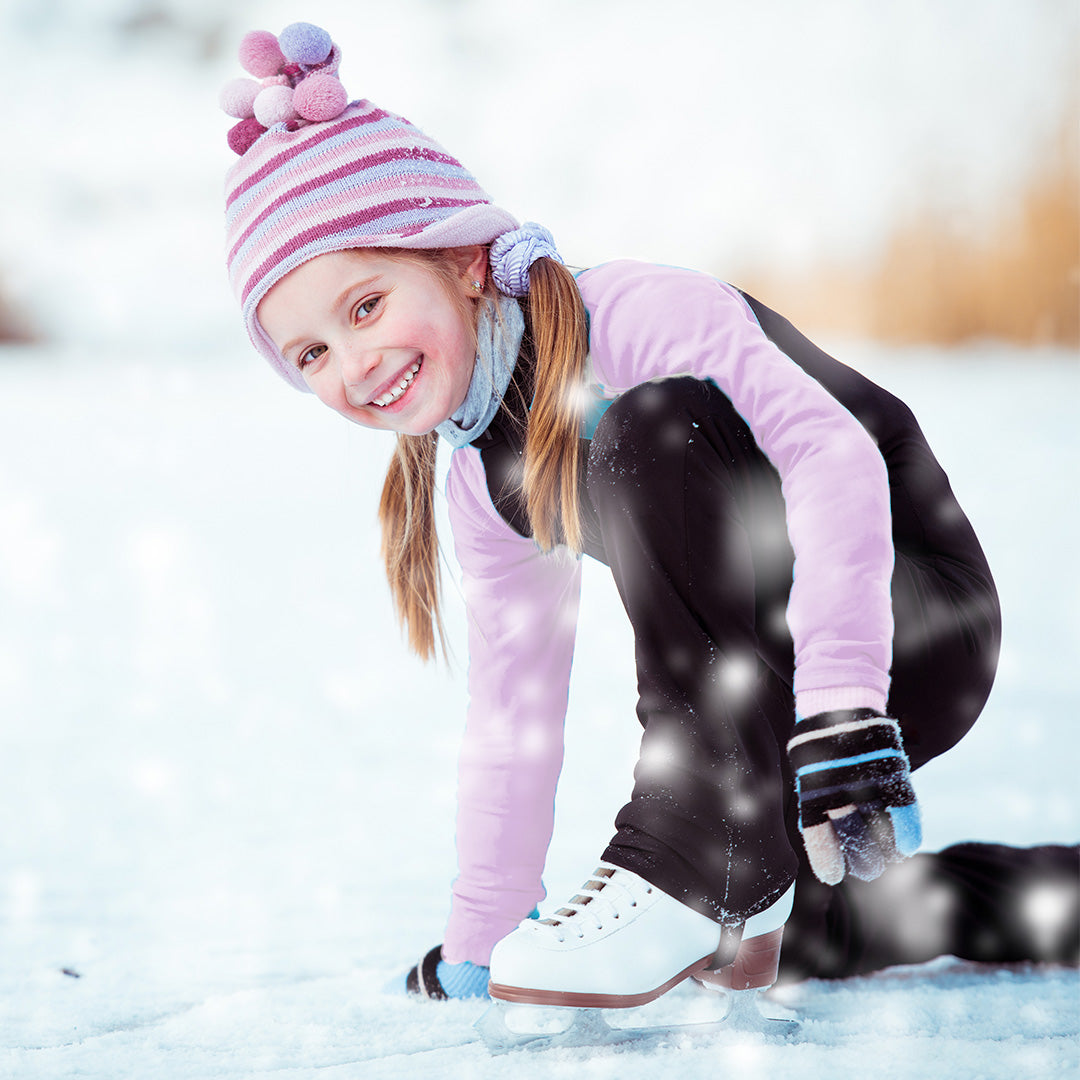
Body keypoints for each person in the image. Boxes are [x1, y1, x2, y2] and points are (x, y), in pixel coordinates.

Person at [219, 23, 1078, 1007]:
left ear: (459, 259)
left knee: (658, 427)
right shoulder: (476, 481)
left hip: (905, 620)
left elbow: (832, 452)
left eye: (365, 307)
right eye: (311, 356)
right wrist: (484, 939)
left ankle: (701, 837)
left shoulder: (630, 318)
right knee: (810, 936)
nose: (353, 364)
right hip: (770, 695)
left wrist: (843, 702)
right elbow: (514, 721)